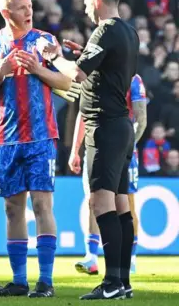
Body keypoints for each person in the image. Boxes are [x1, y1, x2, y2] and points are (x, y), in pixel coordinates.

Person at [39, 0, 138, 300]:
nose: (83, 8)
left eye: (85, 1)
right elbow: (108, 69)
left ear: (96, 0)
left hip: (105, 126)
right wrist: (83, 55)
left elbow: (75, 75)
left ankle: (110, 282)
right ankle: (122, 282)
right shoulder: (129, 31)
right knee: (121, 206)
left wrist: (53, 56)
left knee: (100, 202)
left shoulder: (105, 30)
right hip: (121, 126)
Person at [0, 0, 75, 298]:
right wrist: (1, 72)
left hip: (42, 135)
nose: (29, 11)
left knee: (42, 205)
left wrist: (38, 69)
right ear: (6, 13)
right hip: (7, 139)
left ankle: (45, 281)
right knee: (12, 209)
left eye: (30, 5)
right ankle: (20, 281)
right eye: (21, 7)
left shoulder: (45, 41)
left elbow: (66, 80)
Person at [70, 74, 147, 276]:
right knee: (93, 201)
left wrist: (128, 146)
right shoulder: (93, 75)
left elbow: (141, 118)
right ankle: (92, 257)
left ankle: (130, 257)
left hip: (122, 148)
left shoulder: (133, 80)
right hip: (96, 147)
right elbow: (83, 113)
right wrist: (75, 149)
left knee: (126, 203)